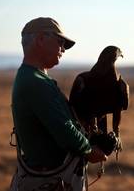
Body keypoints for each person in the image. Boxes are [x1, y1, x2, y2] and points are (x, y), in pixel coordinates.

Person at [10, 17, 107, 191]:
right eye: (60, 42)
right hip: (49, 183)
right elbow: (64, 129)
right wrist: (90, 151)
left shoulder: (35, 78)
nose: (63, 49)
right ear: (40, 39)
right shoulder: (34, 81)